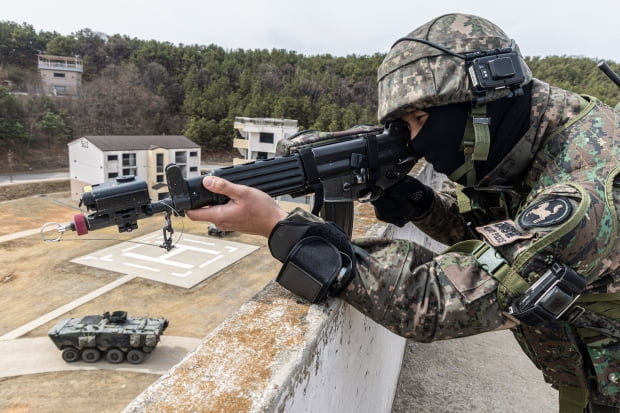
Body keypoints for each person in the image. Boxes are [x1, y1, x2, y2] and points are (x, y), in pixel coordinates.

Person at [186, 13, 620, 413]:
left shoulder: (590, 190)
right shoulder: (535, 139)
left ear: (482, 106)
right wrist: (421, 203)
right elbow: (499, 235)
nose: (415, 144)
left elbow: (433, 302)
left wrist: (280, 227)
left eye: (416, 122)